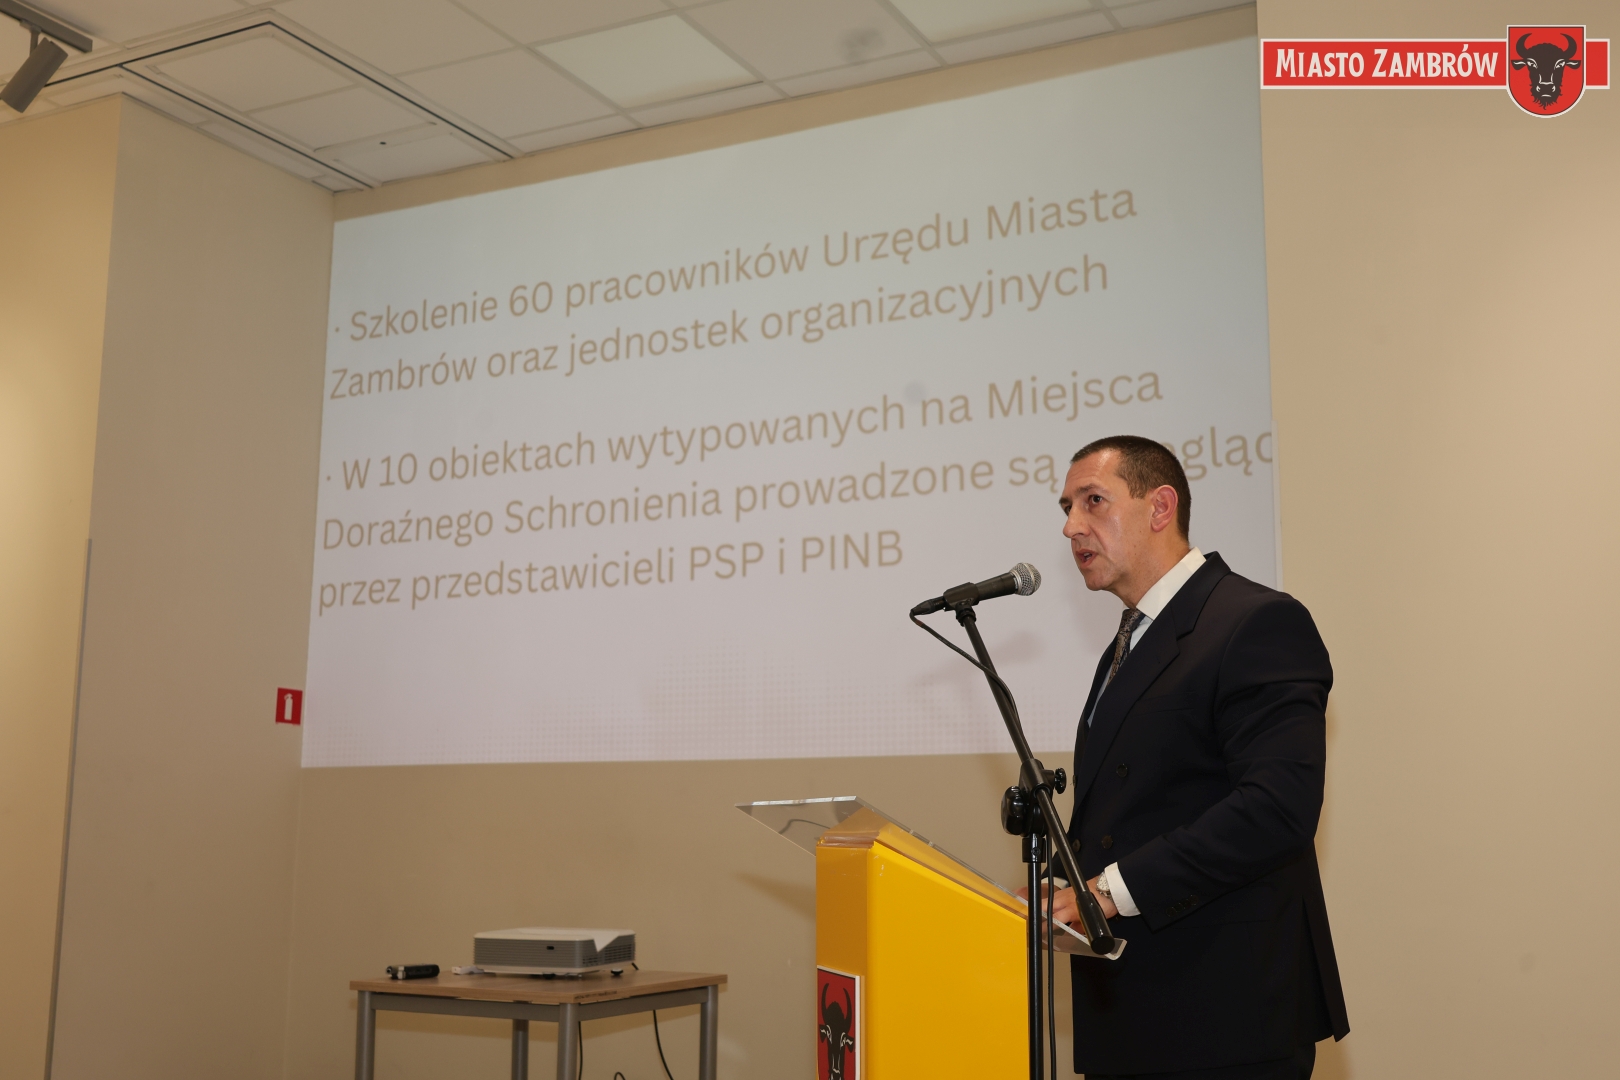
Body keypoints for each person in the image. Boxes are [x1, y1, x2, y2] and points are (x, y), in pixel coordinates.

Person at [1048, 435, 1348, 1079]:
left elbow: (1277, 809)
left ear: (1161, 507)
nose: (1071, 526)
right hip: (1133, 1013)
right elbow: (1139, 805)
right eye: (1067, 507)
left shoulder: (1256, 621)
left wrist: (1109, 891)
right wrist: (1068, 889)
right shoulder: (1129, 640)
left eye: (1093, 501)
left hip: (1224, 1014)